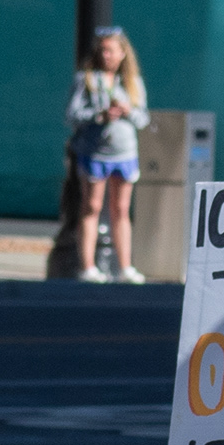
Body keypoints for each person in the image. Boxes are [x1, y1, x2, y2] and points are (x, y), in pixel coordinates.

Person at [67, 24, 148, 282]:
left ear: (123, 53)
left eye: (111, 51)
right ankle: (88, 266)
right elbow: (72, 115)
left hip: (124, 153)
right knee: (91, 206)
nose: (107, 56)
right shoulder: (86, 79)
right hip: (95, 152)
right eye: (102, 51)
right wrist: (99, 116)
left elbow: (143, 119)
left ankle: (124, 267)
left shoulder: (133, 83)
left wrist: (126, 111)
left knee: (121, 209)